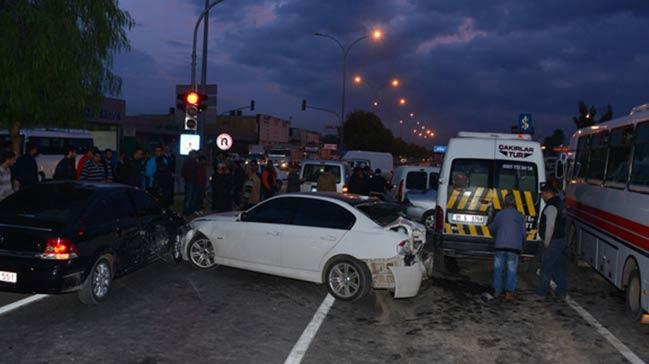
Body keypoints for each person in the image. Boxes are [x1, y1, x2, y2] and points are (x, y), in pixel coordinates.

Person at [487, 194, 526, 301]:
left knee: (498, 269)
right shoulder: (520, 215)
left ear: (504, 202)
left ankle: (497, 291)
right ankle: (509, 293)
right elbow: (523, 233)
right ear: (514, 203)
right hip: (514, 248)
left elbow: (493, 228)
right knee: (511, 270)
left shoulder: (500, 214)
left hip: (500, 246)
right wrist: (522, 247)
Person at [537, 184, 568, 298]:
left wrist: (546, 243)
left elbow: (550, 226)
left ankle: (542, 292)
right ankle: (561, 291)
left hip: (553, 241)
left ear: (547, 193)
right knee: (557, 267)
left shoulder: (551, 206)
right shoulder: (560, 203)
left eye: (542, 194)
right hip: (561, 239)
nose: (542, 197)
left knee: (546, 267)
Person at [182, 151, 198, 215]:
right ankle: (186, 210)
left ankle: (191, 210)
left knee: (193, 196)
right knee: (189, 196)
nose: (195, 155)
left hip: (194, 181)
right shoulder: (188, 162)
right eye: (194, 154)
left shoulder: (195, 162)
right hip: (190, 181)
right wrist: (188, 178)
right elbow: (184, 172)